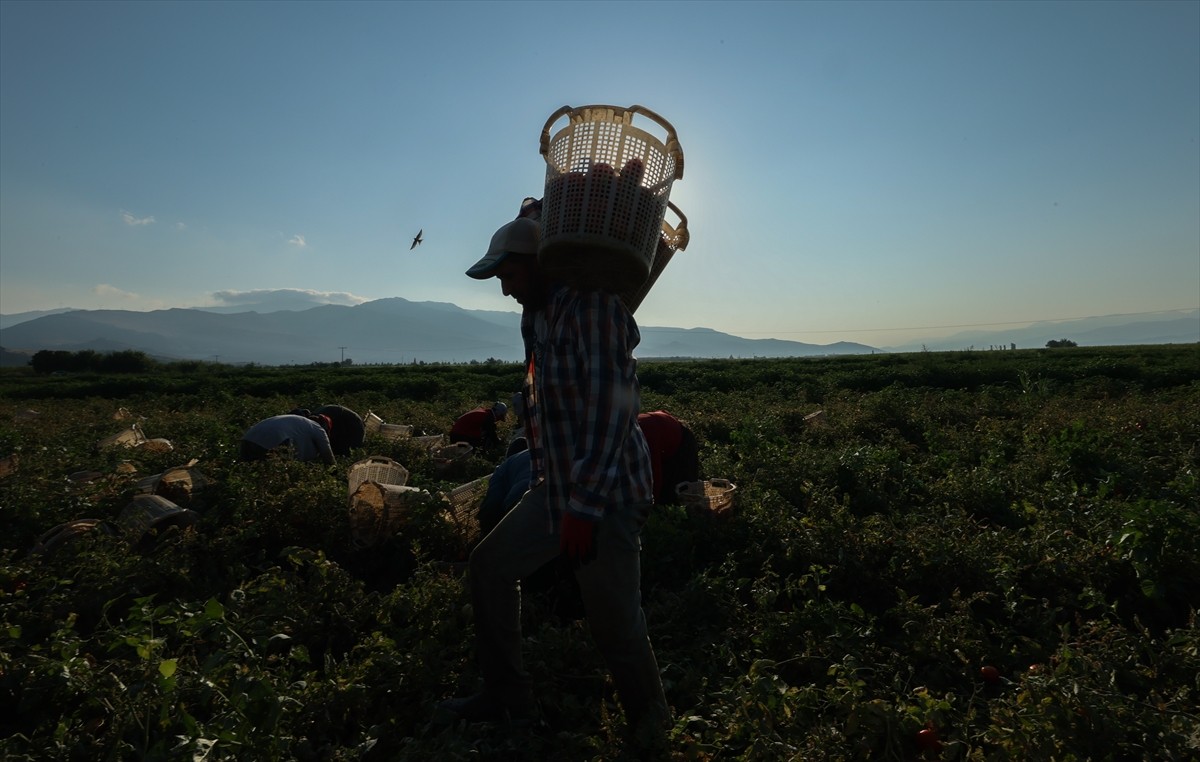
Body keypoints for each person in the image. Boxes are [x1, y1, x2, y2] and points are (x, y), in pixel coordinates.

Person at [438, 213, 671, 749]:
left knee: (614, 621)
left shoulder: (593, 310)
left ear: (539, 266)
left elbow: (614, 414)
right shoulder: (539, 318)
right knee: (489, 567)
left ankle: (652, 727)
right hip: (557, 489)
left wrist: (584, 509)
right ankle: (506, 697)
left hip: (605, 495)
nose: (505, 290)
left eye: (510, 276)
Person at [637, 411, 701, 505]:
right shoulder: (626, 431)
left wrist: (653, 504)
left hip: (682, 440)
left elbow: (654, 473)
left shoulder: (644, 435)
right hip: (663, 429)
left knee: (683, 490)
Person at [239, 413, 336, 465]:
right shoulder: (317, 428)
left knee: (248, 475)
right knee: (277, 477)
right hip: (271, 442)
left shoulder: (299, 421)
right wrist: (335, 475)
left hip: (248, 438)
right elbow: (328, 456)